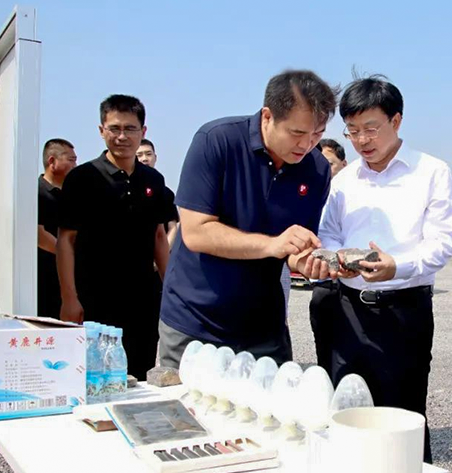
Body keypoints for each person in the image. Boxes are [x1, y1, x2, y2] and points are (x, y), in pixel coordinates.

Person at [158, 70, 339, 368]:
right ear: (267, 116)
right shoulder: (216, 141)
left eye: (317, 134)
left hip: (263, 329)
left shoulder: (317, 169)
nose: (306, 145)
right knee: (188, 400)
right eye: (297, 133)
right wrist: (273, 245)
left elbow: (295, 248)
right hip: (196, 323)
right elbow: (196, 233)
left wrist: (308, 262)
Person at [318, 75, 452, 463]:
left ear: (396, 121)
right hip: (347, 311)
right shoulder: (345, 180)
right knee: (346, 413)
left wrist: (398, 267)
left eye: (371, 128)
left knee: (402, 416)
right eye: (352, 131)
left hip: (403, 313)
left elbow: (441, 243)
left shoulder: (431, 172)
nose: (362, 140)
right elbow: (328, 233)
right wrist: (338, 259)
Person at [57, 95, 171, 379]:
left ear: (143, 132)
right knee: (95, 379)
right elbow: (66, 241)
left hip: (142, 298)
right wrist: (69, 298)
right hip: (95, 299)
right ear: (101, 130)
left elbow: (159, 236)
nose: (122, 136)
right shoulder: (82, 178)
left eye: (130, 128)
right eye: (114, 128)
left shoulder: (153, 181)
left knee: (140, 374)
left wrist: (171, 291)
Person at [309, 138, 348, 375]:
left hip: (351, 286)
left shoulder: (355, 195)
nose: (324, 170)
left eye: (330, 164)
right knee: (327, 362)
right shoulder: (309, 195)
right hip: (324, 287)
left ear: (344, 164)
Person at [38, 139, 77, 319]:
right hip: (44, 278)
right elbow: (39, 235)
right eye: (71, 160)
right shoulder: (37, 192)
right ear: (52, 161)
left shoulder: (70, 196)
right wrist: (67, 254)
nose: (75, 165)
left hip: (67, 280)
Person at [137, 138, 179, 247]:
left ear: (155, 158)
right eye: (139, 155)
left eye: (148, 154)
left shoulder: (166, 193)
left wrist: (163, 254)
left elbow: (172, 228)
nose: (144, 159)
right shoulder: (123, 188)